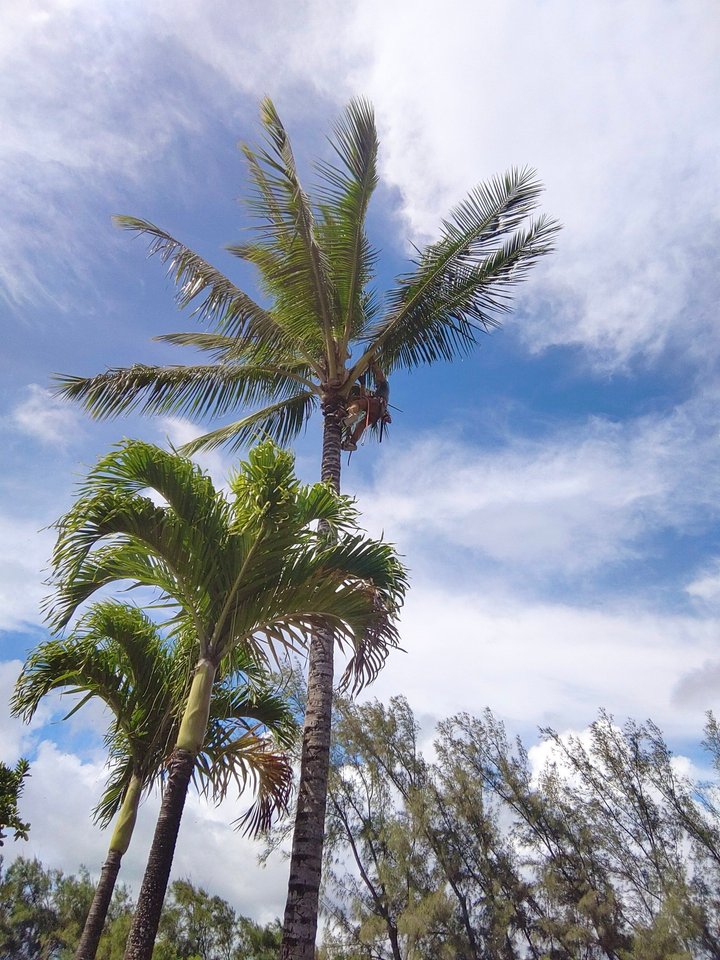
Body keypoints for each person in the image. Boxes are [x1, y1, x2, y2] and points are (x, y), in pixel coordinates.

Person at [341, 363, 391, 452]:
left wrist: (373, 362)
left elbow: (379, 373)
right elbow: (363, 396)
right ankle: (352, 443)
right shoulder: (379, 393)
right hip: (378, 413)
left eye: (376, 382)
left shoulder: (384, 385)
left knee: (357, 404)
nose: (375, 383)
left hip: (376, 403)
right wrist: (362, 383)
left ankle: (352, 415)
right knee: (361, 425)